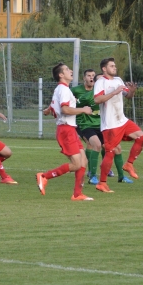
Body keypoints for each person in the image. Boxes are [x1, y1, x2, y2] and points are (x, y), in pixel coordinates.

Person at [38, 62, 93, 201]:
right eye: (67, 69)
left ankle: (77, 194)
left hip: (70, 129)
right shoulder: (63, 89)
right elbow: (65, 109)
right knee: (76, 164)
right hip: (66, 129)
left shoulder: (61, 89)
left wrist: (48, 110)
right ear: (61, 75)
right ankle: (45, 176)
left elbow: (53, 105)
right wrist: (84, 109)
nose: (71, 71)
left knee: (83, 161)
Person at [93, 57, 143, 193]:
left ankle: (129, 164)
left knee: (141, 137)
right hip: (110, 124)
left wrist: (132, 91)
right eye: (111, 66)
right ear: (104, 69)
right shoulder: (100, 82)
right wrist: (114, 92)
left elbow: (127, 96)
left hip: (122, 120)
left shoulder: (118, 80)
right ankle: (102, 183)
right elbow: (97, 100)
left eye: (115, 66)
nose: (114, 68)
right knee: (110, 152)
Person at [71, 70, 130, 185]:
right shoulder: (87, 97)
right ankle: (92, 176)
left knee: (117, 148)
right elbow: (70, 107)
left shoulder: (108, 96)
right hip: (87, 126)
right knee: (96, 145)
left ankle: (121, 177)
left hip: (103, 125)